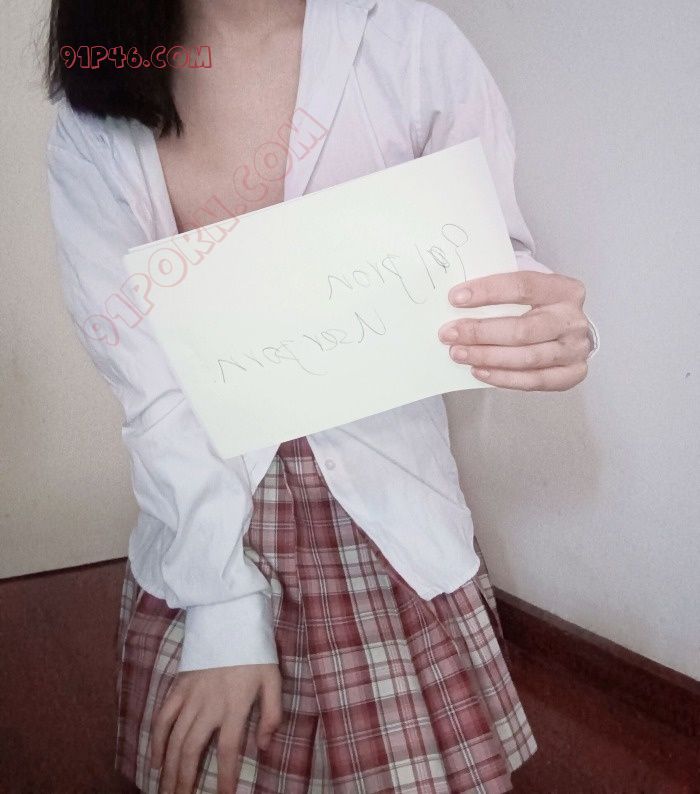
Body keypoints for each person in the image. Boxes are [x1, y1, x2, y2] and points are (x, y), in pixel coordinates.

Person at [45, 0, 597, 791]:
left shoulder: (407, 41)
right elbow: (150, 389)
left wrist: (541, 326)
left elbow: (491, 261)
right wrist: (222, 603)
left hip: (397, 524)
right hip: (205, 528)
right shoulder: (95, 106)